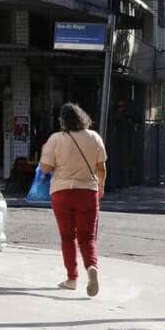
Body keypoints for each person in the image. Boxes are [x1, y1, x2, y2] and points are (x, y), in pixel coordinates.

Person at [40, 103, 108, 297]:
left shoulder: (55, 139)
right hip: (87, 192)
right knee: (87, 238)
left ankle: (71, 279)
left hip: (61, 193)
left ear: (62, 121)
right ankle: (92, 268)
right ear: (82, 117)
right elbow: (101, 167)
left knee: (67, 237)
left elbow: (45, 169)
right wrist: (101, 187)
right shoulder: (94, 137)